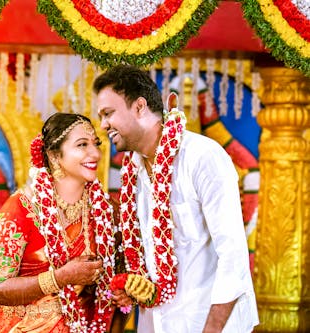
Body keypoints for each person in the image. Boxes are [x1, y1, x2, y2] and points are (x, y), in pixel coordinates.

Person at [93, 65, 259, 333]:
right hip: (155, 322)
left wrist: (212, 330)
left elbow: (233, 255)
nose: (103, 125)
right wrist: (132, 287)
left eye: (108, 113)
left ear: (139, 107)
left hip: (204, 321)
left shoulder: (201, 157)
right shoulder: (132, 170)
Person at [0, 113, 127, 332]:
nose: (95, 153)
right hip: (23, 326)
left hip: (84, 325)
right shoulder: (19, 210)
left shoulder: (106, 210)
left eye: (96, 144)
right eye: (82, 145)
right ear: (55, 155)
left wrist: (122, 290)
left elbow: (118, 273)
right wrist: (60, 278)